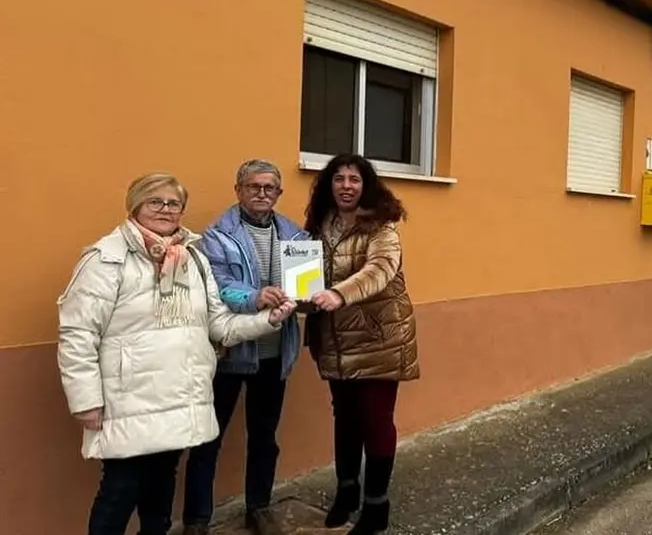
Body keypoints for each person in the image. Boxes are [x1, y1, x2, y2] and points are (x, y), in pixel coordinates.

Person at [57, 173, 297, 535]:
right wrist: (85, 400)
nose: (166, 210)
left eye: (173, 203)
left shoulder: (193, 259)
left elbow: (219, 324)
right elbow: (77, 335)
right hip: (129, 400)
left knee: (160, 494)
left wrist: (268, 320)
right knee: (119, 492)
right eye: (156, 201)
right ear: (135, 205)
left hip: (179, 397)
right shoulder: (106, 259)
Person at [182, 160, 309, 535]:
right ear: (238, 189)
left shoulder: (295, 236)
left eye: (270, 188)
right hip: (230, 354)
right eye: (254, 187)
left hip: (274, 353)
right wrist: (255, 296)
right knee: (208, 439)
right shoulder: (216, 237)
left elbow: (306, 285)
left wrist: (311, 296)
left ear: (279, 194)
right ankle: (197, 520)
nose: (262, 194)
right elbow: (217, 288)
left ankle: (259, 507)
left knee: (264, 438)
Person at [303, 154, 420, 535]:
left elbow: (380, 271)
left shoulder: (382, 228)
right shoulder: (321, 226)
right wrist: (297, 296)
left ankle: (376, 507)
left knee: (375, 420)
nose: (347, 186)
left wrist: (339, 294)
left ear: (366, 186)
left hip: (378, 338)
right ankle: (347, 492)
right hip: (335, 339)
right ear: (329, 185)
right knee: (345, 418)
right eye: (339, 179)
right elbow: (307, 276)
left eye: (354, 179)